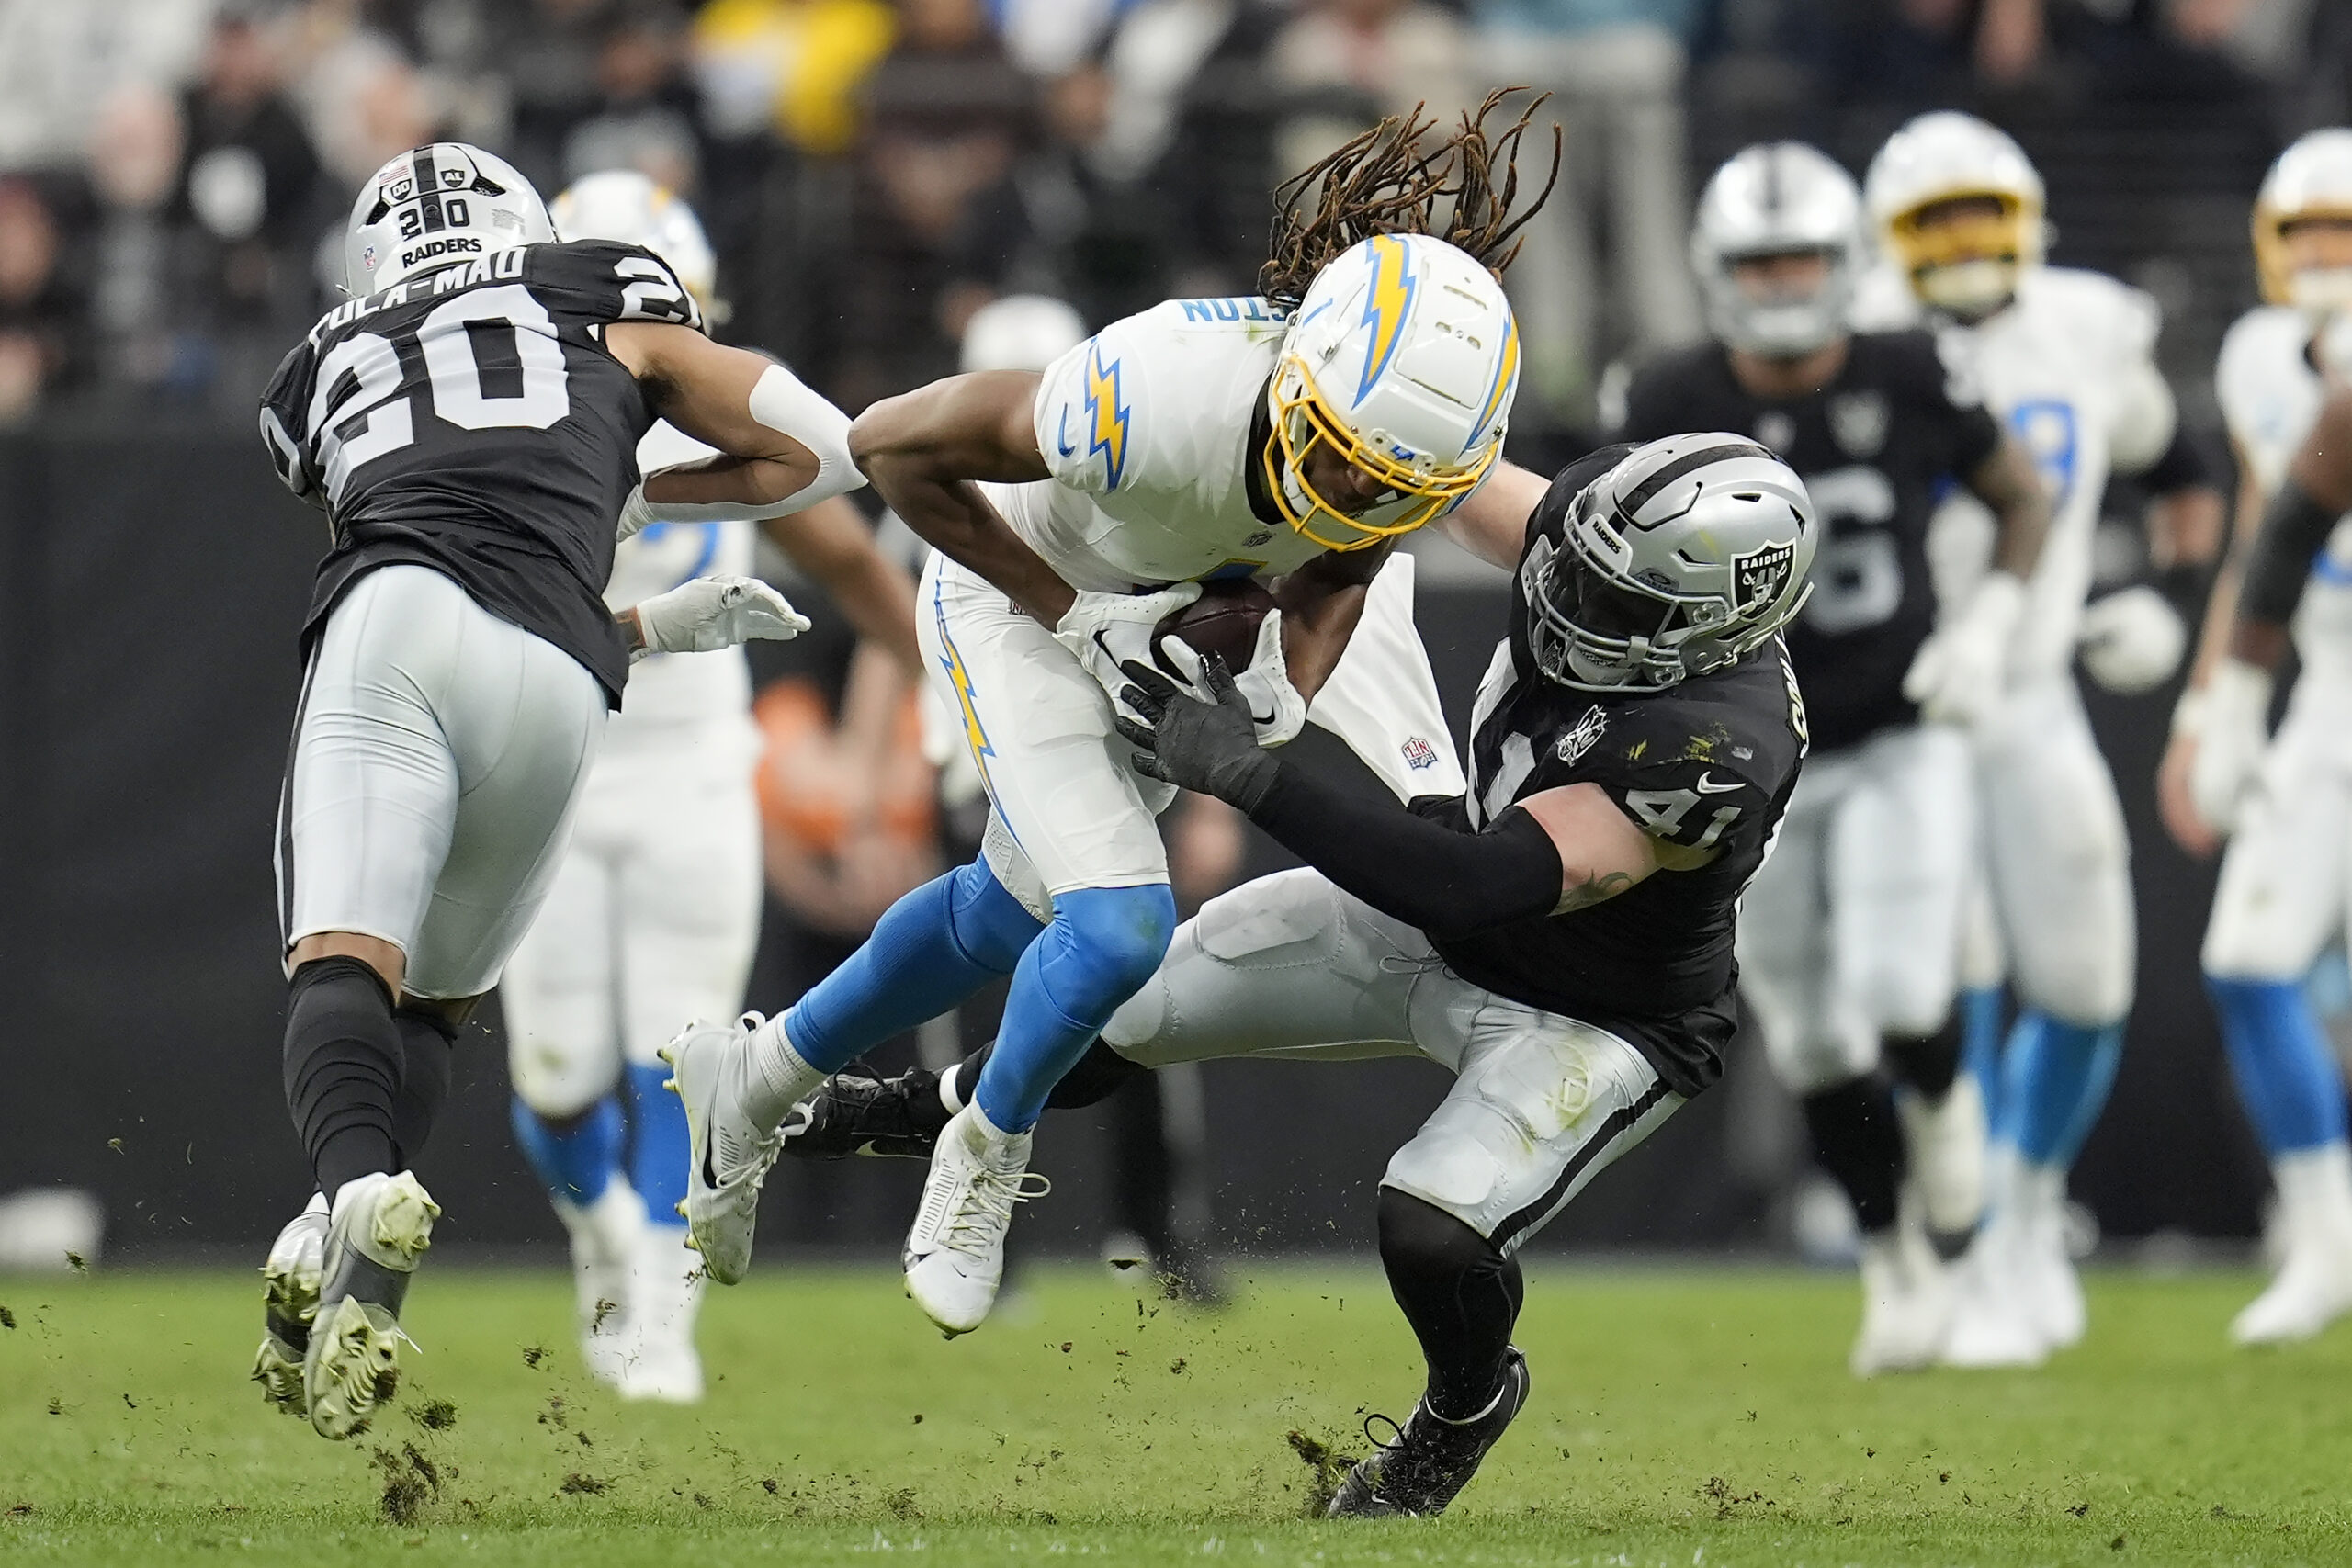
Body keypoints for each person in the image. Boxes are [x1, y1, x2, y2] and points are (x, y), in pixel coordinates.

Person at [793, 434, 1816, 1513]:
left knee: (1432, 1226)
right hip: (1441, 918)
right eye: (1574, 568)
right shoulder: (1590, 538)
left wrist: (1250, 777)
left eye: (1615, 600)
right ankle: (910, 1111)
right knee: (1122, 1006)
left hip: (1588, 1015)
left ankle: (1461, 1412)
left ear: (1710, 633)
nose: (1566, 598)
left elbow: (1472, 885)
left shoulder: (1715, 749)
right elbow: (1444, 473)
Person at [662, 99, 1544, 1337]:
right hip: (1019, 590)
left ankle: (754, 1076)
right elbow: (898, 450)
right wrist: (1071, 612)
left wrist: (1284, 677)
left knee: (1005, 907)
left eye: (1397, 483)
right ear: (1303, 379)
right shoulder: (1148, 398)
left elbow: (1348, 561)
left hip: (1169, 604)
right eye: (1346, 457)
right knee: (1125, 924)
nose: (1357, 491)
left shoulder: (1393, 456)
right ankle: (981, 1153)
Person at [248, 141, 862, 1440]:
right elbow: (826, 448)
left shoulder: (313, 361)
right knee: (467, 1020)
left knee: (348, 962)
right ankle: (351, 1207)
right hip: (561, 678)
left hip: (410, 623)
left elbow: (414, 497)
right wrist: (635, 498)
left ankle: (343, 1194)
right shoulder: (603, 292)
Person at [1615, 142, 2050, 1374]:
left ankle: (1954, 1123)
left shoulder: (1912, 366)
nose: (1784, 279)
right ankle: (1890, 1259)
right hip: (1755, 759)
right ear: (1715, 271)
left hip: (1901, 726)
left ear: (1849, 259)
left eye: (1802, 254)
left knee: (1910, 989)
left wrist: (1989, 623)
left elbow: (2020, 494)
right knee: (1805, 1032)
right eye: (1761, 260)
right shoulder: (1667, 393)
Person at [494, 170, 922, 1403]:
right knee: (558, 1080)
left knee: (685, 1059)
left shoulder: (723, 409)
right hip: (557, 772)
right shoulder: (511, 418)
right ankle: (606, 1240)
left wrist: (924, 692)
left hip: (691, 770)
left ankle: (662, 1312)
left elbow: (845, 547)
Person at [1857, 111, 2225, 1368]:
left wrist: (2166, 603)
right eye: (1933, 223)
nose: (1962, 247)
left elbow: (2180, 470)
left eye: (1982, 218)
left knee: (2086, 978)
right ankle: (1937, 1242)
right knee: (1927, 981)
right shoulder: (1852, 341)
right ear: (1885, 244)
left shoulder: (2087, 327)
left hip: (2031, 695)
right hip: (1897, 715)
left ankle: (2018, 1210)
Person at [2164, 127, 2352, 1346]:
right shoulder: (2256, 361)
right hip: (2330, 683)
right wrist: (2213, 706)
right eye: (2308, 233)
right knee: (2247, 953)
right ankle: (2326, 1238)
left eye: (2348, 230)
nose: (2327, 255)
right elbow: (2264, 538)